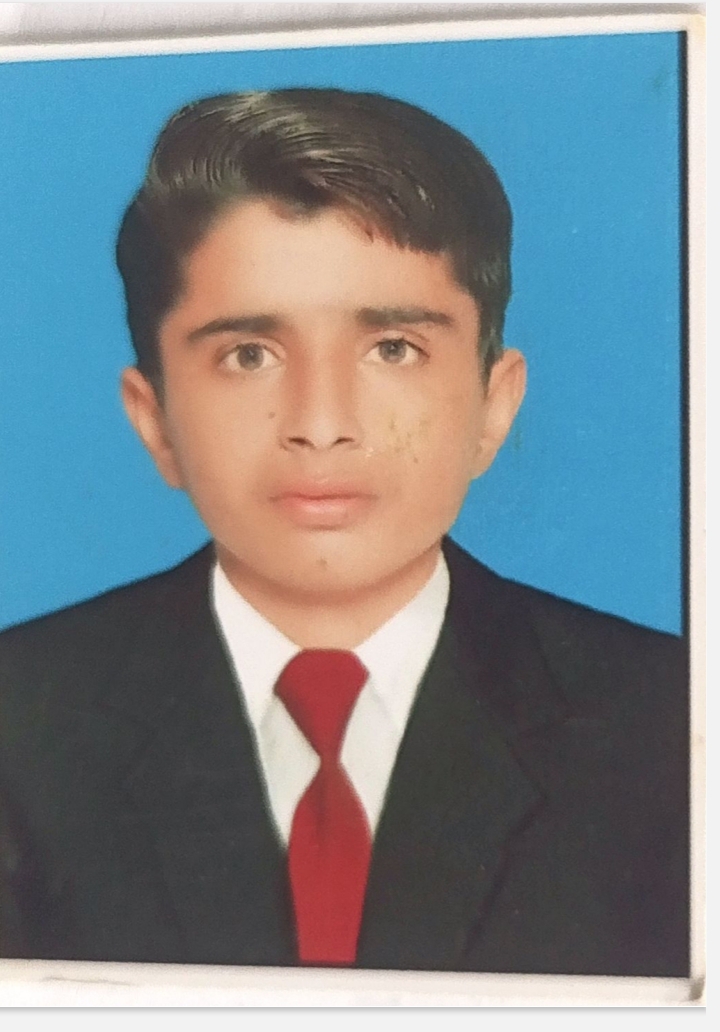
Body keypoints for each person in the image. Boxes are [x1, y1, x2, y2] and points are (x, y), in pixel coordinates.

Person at [0, 88, 688, 975]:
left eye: (393, 348)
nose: (321, 425)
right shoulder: (19, 726)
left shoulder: (671, 725)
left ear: (494, 404)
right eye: (249, 355)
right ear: (155, 418)